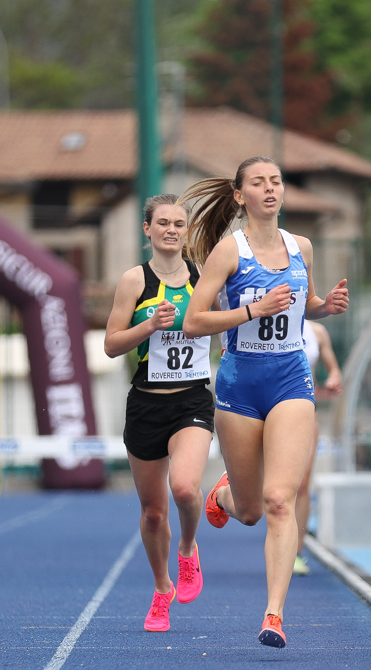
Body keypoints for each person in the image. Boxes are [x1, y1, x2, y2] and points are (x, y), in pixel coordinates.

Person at [182, 156, 349, 648]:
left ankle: (273, 614)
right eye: (259, 182)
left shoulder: (301, 247)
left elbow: (306, 304)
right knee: (252, 510)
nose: (270, 188)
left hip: (291, 378)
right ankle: (223, 496)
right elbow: (193, 321)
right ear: (241, 196)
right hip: (240, 383)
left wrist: (325, 307)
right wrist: (253, 309)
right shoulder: (228, 252)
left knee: (281, 500)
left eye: (276, 181)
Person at [103, 194, 214, 633]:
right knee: (153, 513)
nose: (171, 229)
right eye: (163, 222)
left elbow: (230, 321)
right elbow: (111, 345)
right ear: (147, 229)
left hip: (192, 400)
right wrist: (149, 325)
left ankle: (187, 550)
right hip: (146, 404)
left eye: (179, 223)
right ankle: (162, 588)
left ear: (187, 232)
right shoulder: (134, 280)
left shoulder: (204, 277)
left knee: (184, 489)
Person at [293, 319, 342, 577]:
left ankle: (295, 552)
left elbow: (334, 370)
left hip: (304, 410)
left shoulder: (317, 331)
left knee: (302, 483)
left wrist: (333, 379)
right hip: (265, 408)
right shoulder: (260, 315)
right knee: (258, 493)